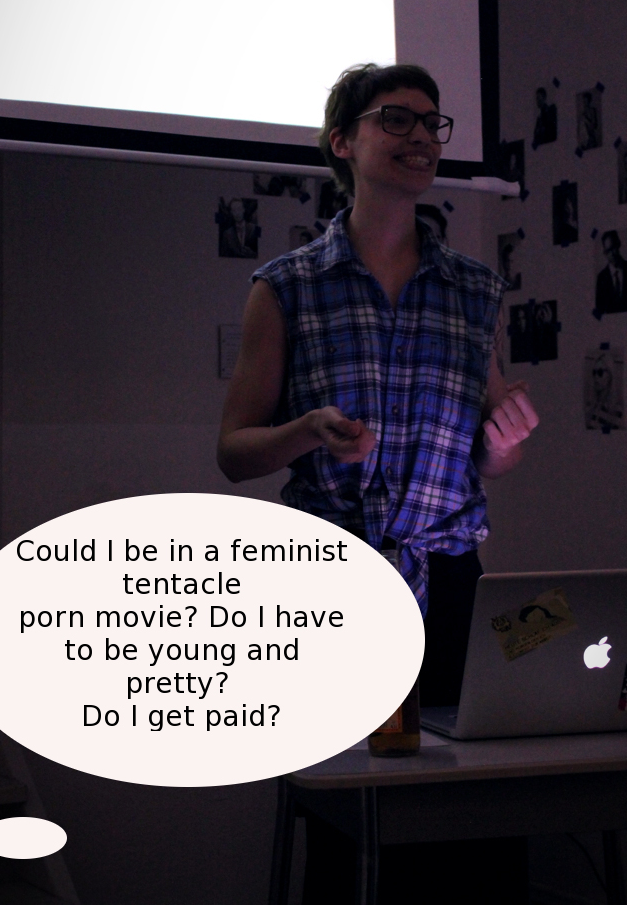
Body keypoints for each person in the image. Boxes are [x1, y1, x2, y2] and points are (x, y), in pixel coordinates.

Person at [217, 63, 539, 902]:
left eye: (432, 124)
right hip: (333, 581)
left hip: (450, 578)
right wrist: (306, 429)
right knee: (351, 818)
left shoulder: (474, 291)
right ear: (342, 142)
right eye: (396, 120)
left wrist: (505, 441)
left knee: (474, 811)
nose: (420, 137)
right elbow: (233, 451)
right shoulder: (286, 286)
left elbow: (487, 455)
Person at [595, 230, 627, 314]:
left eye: (613, 248)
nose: (611, 254)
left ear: (618, 244)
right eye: (608, 251)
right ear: (604, 252)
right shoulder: (601, 278)